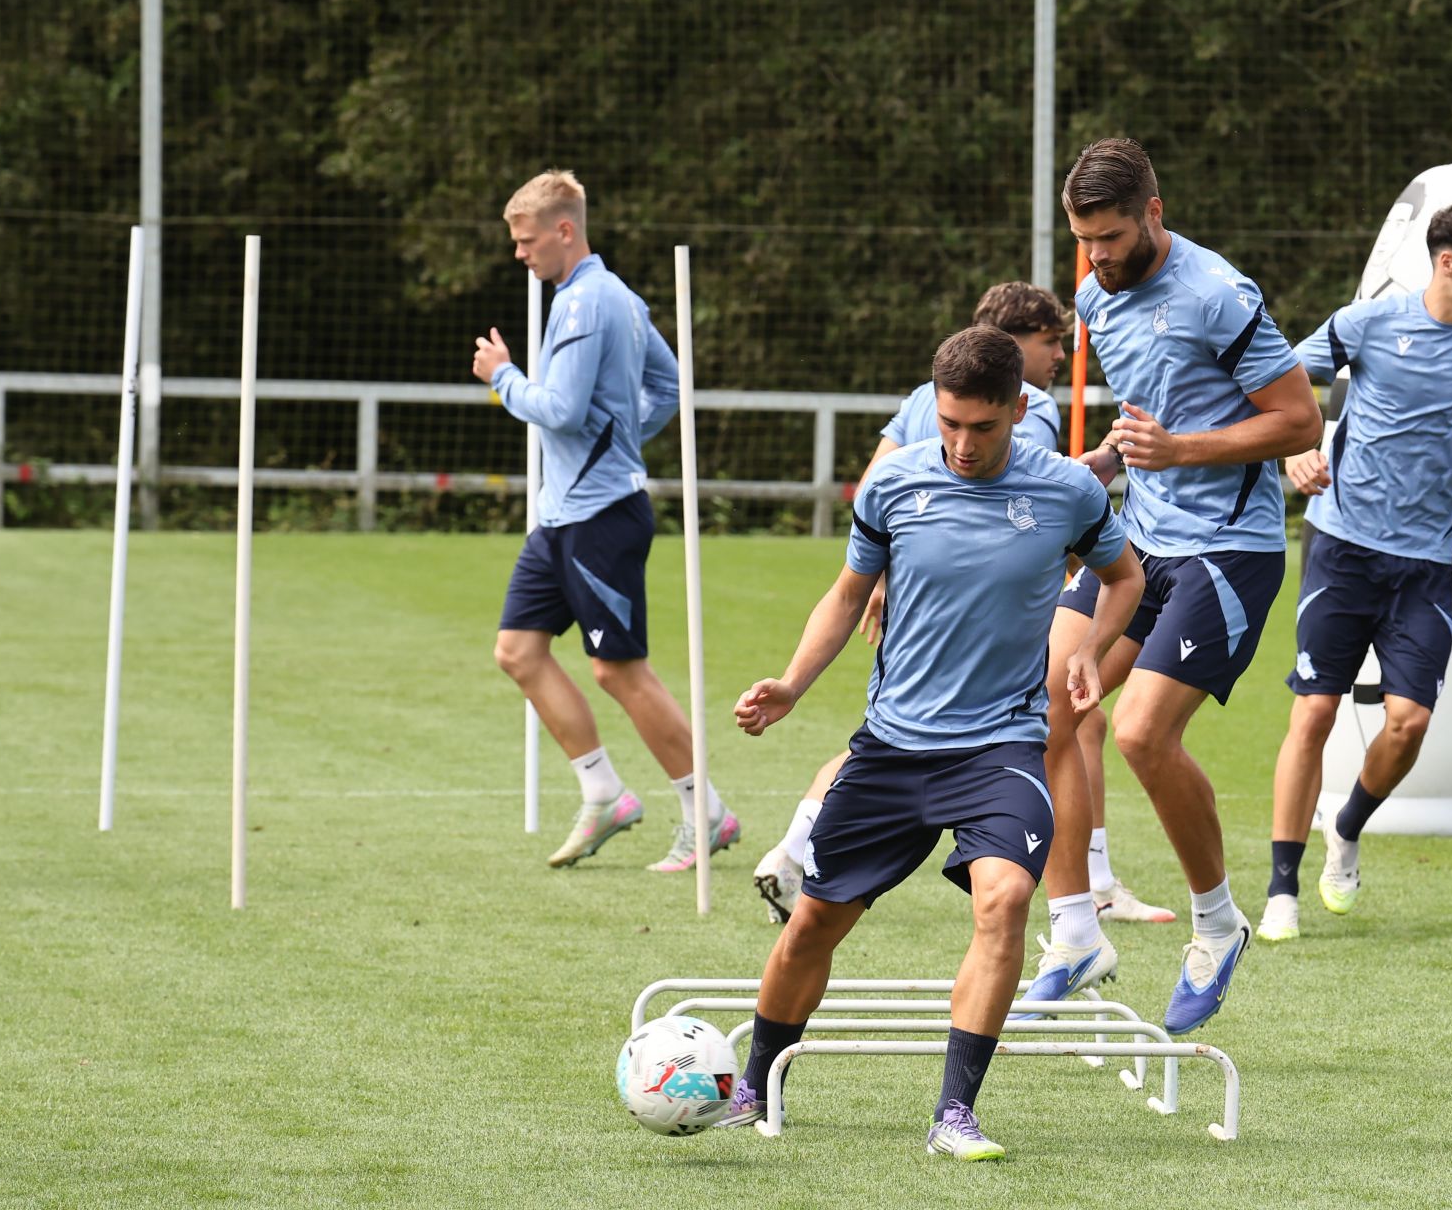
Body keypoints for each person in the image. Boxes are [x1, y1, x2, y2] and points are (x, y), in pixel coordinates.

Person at [718, 325, 1143, 1159]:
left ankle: (955, 1113)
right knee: (812, 925)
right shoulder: (894, 485)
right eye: (948, 422)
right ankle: (756, 1086)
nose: (960, 444)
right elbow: (847, 597)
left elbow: (1126, 576)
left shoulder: (1068, 492)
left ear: (1019, 410)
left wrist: (1089, 644)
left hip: (1001, 749)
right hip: (891, 749)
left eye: (981, 427)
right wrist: (791, 686)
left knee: (1006, 900)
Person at [748, 284, 1174, 926]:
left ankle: (794, 846)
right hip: (967, 621)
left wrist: (898, 563)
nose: (1059, 352)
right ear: (1015, 345)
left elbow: (884, 481)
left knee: (967, 723)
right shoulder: (1030, 411)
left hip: (932, 609)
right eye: (1050, 339)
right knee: (1040, 722)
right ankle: (1091, 891)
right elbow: (910, 502)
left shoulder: (927, 395)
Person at [1026, 139, 1323, 1035]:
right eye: (1084, 240)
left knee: (1143, 733)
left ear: (1154, 212)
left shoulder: (1218, 295)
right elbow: (1150, 416)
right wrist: (1107, 463)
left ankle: (1217, 924)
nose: (1097, 258)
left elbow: (1299, 418)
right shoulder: (1092, 296)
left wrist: (1181, 452)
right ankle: (1077, 933)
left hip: (1227, 554)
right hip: (1138, 545)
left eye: (1111, 236)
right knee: (1045, 706)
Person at [1258, 200, 1452, 943]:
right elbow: (1280, 388)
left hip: (1426, 565)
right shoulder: (1366, 323)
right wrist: (1294, 451)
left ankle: (1345, 830)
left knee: (1407, 724)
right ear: (1447, 261)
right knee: (1312, 712)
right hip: (1341, 549)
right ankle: (1282, 889)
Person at [471, 170, 742, 874]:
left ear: (566, 230)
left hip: (600, 517)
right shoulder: (608, 296)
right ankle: (604, 794)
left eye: (527, 241)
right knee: (518, 651)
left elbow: (558, 409)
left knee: (620, 671)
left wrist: (502, 376)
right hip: (562, 514)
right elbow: (666, 386)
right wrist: (620, 439)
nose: (519, 254)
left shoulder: (590, 303)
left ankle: (704, 810)